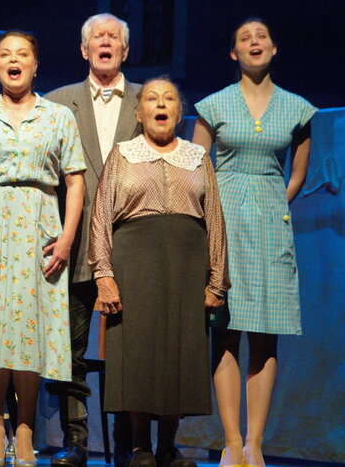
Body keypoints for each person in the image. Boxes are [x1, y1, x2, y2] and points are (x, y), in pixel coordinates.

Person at [0, 31, 86, 467]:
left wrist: (67, 238)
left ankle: (24, 429)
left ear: (35, 65)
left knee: (30, 330)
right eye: (5, 54)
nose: (14, 60)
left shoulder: (58, 116)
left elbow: (75, 180)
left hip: (38, 231)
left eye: (22, 54)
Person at [192, 18, 316, 467]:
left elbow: (298, 172)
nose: (254, 42)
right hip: (223, 223)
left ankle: (254, 443)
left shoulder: (297, 108)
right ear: (234, 53)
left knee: (266, 334)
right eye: (244, 38)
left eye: (261, 36)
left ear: (274, 48)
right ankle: (230, 442)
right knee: (225, 331)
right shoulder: (214, 105)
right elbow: (196, 168)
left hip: (269, 226)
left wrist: (275, 203)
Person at [89, 77, 229, 467]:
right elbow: (100, 217)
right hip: (134, 261)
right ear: (139, 112)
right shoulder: (123, 154)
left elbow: (214, 219)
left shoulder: (197, 157)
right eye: (152, 98)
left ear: (180, 113)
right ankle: (140, 446)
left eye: (169, 98)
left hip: (186, 265)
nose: (161, 104)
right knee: (137, 349)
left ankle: (168, 446)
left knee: (178, 349)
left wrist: (217, 280)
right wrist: (104, 275)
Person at [44, 13, 141, 467]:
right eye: (97, 37)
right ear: (84, 50)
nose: (105, 42)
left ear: (125, 49)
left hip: (132, 245)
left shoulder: (147, 100)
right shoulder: (57, 103)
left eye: (113, 37)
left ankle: (128, 442)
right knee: (71, 349)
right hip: (75, 242)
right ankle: (76, 440)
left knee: (129, 350)